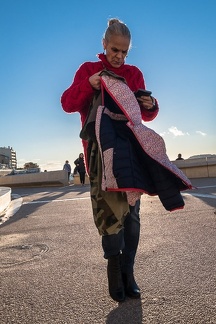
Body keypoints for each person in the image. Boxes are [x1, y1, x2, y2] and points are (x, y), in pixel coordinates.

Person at [61, 18, 191, 302]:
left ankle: (128, 273)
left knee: (132, 215)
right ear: (104, 44)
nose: (119, 57)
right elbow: (67, 103)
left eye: (124, 52)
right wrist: (89, 84)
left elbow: (144, 117)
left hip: (130, 154)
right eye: (114, 50)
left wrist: (151, 105)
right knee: (109, 214)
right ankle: (114, 267)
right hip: (100, 156)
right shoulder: (89, 70)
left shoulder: (134, 74)